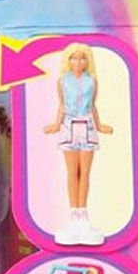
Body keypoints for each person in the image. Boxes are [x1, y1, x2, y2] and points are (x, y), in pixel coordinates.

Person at [43, 43, 113, 245]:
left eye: (82, 58)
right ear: (68, 60)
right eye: (74, 58)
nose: (78, 62)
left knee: (85, 172)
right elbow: (62, 105)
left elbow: (93, 105)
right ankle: (73, 213)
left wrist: (99, 125)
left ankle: (83, 213)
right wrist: (56, 124)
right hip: (69, 125)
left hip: (88, 125)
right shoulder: (62, 81)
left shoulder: (92, 81)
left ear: (87, 60)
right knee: (72, 172)